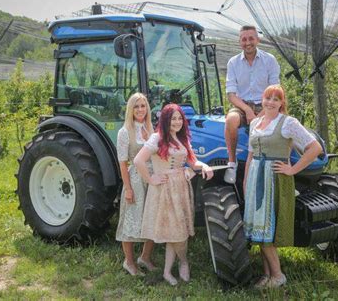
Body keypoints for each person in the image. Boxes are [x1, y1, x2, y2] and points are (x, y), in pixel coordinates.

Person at [243, 85, 322, 288]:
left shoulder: (288, 123)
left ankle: (278, 276)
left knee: (267, 227)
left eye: (276, 99)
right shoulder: (255, 123)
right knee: (259, 229)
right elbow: (251, 155)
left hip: (275, 180)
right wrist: (245, 181)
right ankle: (267, 274)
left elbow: (315, 148)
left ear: (281, 103)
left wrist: (293, 169)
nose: (270, 102)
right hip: (255, 180)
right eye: (267, 97)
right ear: (262, 99)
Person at [134, 104, 214, 286]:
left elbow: (193, 163)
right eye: (173, 118)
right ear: (165, 120)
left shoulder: (181, 139)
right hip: (165, 190)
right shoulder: (157, 138)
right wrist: (151, 178)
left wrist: (206, 166)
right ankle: (183, 262)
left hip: (181, 189)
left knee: (177, 230)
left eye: (180, 118)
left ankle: (168, 271)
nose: (177, 122)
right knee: (175, 232)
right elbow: (139, 160)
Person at [224, 25, 281, 184]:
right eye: (244, 39)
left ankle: (285, 172)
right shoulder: (233, 62)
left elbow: (275, 90)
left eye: (251, 38)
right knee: (231, 120)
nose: (247, 42)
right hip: (242, 105)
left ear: (257, 39)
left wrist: (263, 113)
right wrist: (248, 111)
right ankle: (232, 162)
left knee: (283, 128)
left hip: (267, 104)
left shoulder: (269, 60)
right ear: (239, 41)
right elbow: (231, 94)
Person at [116, 93, 156, 276]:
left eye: (143, 106)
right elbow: (123, 163)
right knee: (131, 220)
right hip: (135, 178)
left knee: (151, 218)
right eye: (137, 106)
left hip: (152, 176)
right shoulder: (125, 132)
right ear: (130, 109)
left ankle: (145, 257)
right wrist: (128, 189)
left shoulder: (150, 129)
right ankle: (129, 262)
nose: (141, 109)